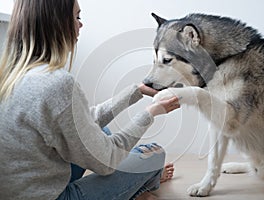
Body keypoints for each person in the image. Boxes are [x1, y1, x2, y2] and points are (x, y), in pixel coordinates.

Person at [0, 0, 180, 199]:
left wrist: (135, 92)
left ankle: (141, 184)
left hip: (22, 188)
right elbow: (106, 161)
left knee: (102, 131)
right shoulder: (56, 83)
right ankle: (144, 185)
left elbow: (77, 121)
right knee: (154, 154)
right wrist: (152, 112)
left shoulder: (13, 74)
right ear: (56, 22)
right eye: (77, 17)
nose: (81, 24)